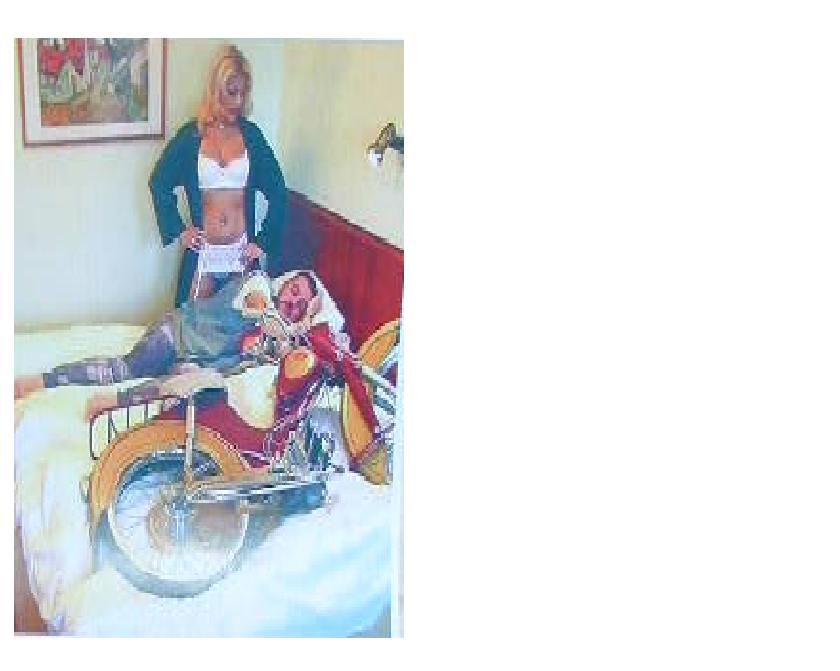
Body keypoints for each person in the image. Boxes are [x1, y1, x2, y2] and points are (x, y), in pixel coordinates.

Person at [13, 271, 379, 441]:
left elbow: (329, 345)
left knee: (183, 391)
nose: (294, 300)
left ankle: (112, 404)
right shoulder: (258, 285)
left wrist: (307, 322)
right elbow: (256, 306)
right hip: (178, 333)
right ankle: (43, 381)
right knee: (127, 367)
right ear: (285, 282)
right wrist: (285, 320)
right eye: (295, 289)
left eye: (302, 303)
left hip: (194, 361)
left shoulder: (281, 347)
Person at [149, 44, 287, 306]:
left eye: (243, 93)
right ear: (215, 89)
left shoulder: (252, 137)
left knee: (244, 326)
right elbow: (159, 182)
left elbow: (278, 191)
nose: (238, 101)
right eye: (231, 92)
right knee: (191, 324)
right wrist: (179, 231)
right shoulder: (191, 136)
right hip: (204, 255)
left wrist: (263, 241)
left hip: (242, 255)